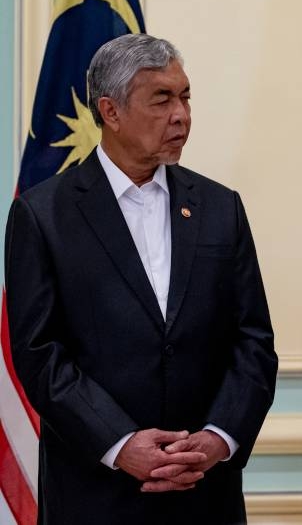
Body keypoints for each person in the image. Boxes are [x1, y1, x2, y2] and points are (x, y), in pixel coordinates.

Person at [4, 34, 278, 523]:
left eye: (185, 96)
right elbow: (39, 353)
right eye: (162, 99)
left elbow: (253, 340)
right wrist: (120, 443)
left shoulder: (221, 208)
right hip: (95, 492)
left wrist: (219, 437)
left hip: (204, 491)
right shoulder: (43, 215)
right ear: (110, 112)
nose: (182, 115)